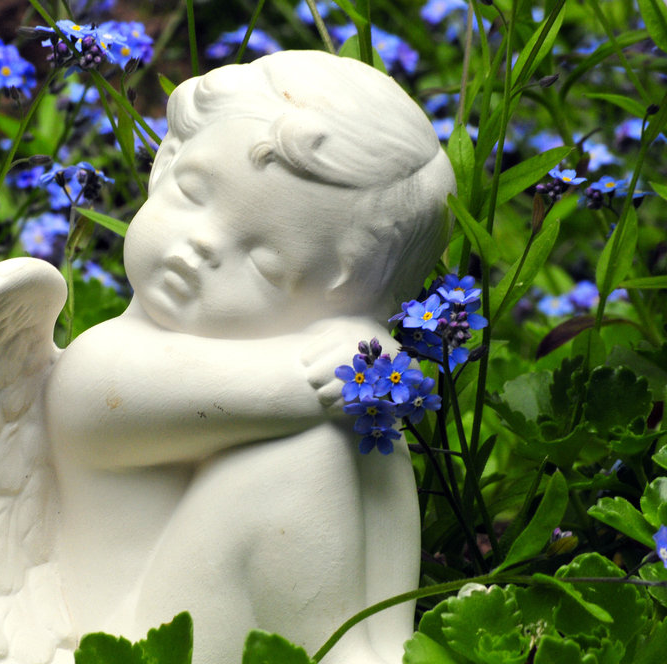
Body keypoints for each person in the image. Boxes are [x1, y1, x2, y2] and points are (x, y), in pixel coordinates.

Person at [44, 50, 455, 662]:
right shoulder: (101, 368)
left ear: (340, 302)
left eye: (265, 263)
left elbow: (380, 491)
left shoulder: (325, 384)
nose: (203, 244)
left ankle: (376, 647)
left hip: (234, 630)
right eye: (194, 193)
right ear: (165, 162)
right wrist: (365, 366)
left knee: (360, 434)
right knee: (304, 447)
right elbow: (298, 390)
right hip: (136, 643)